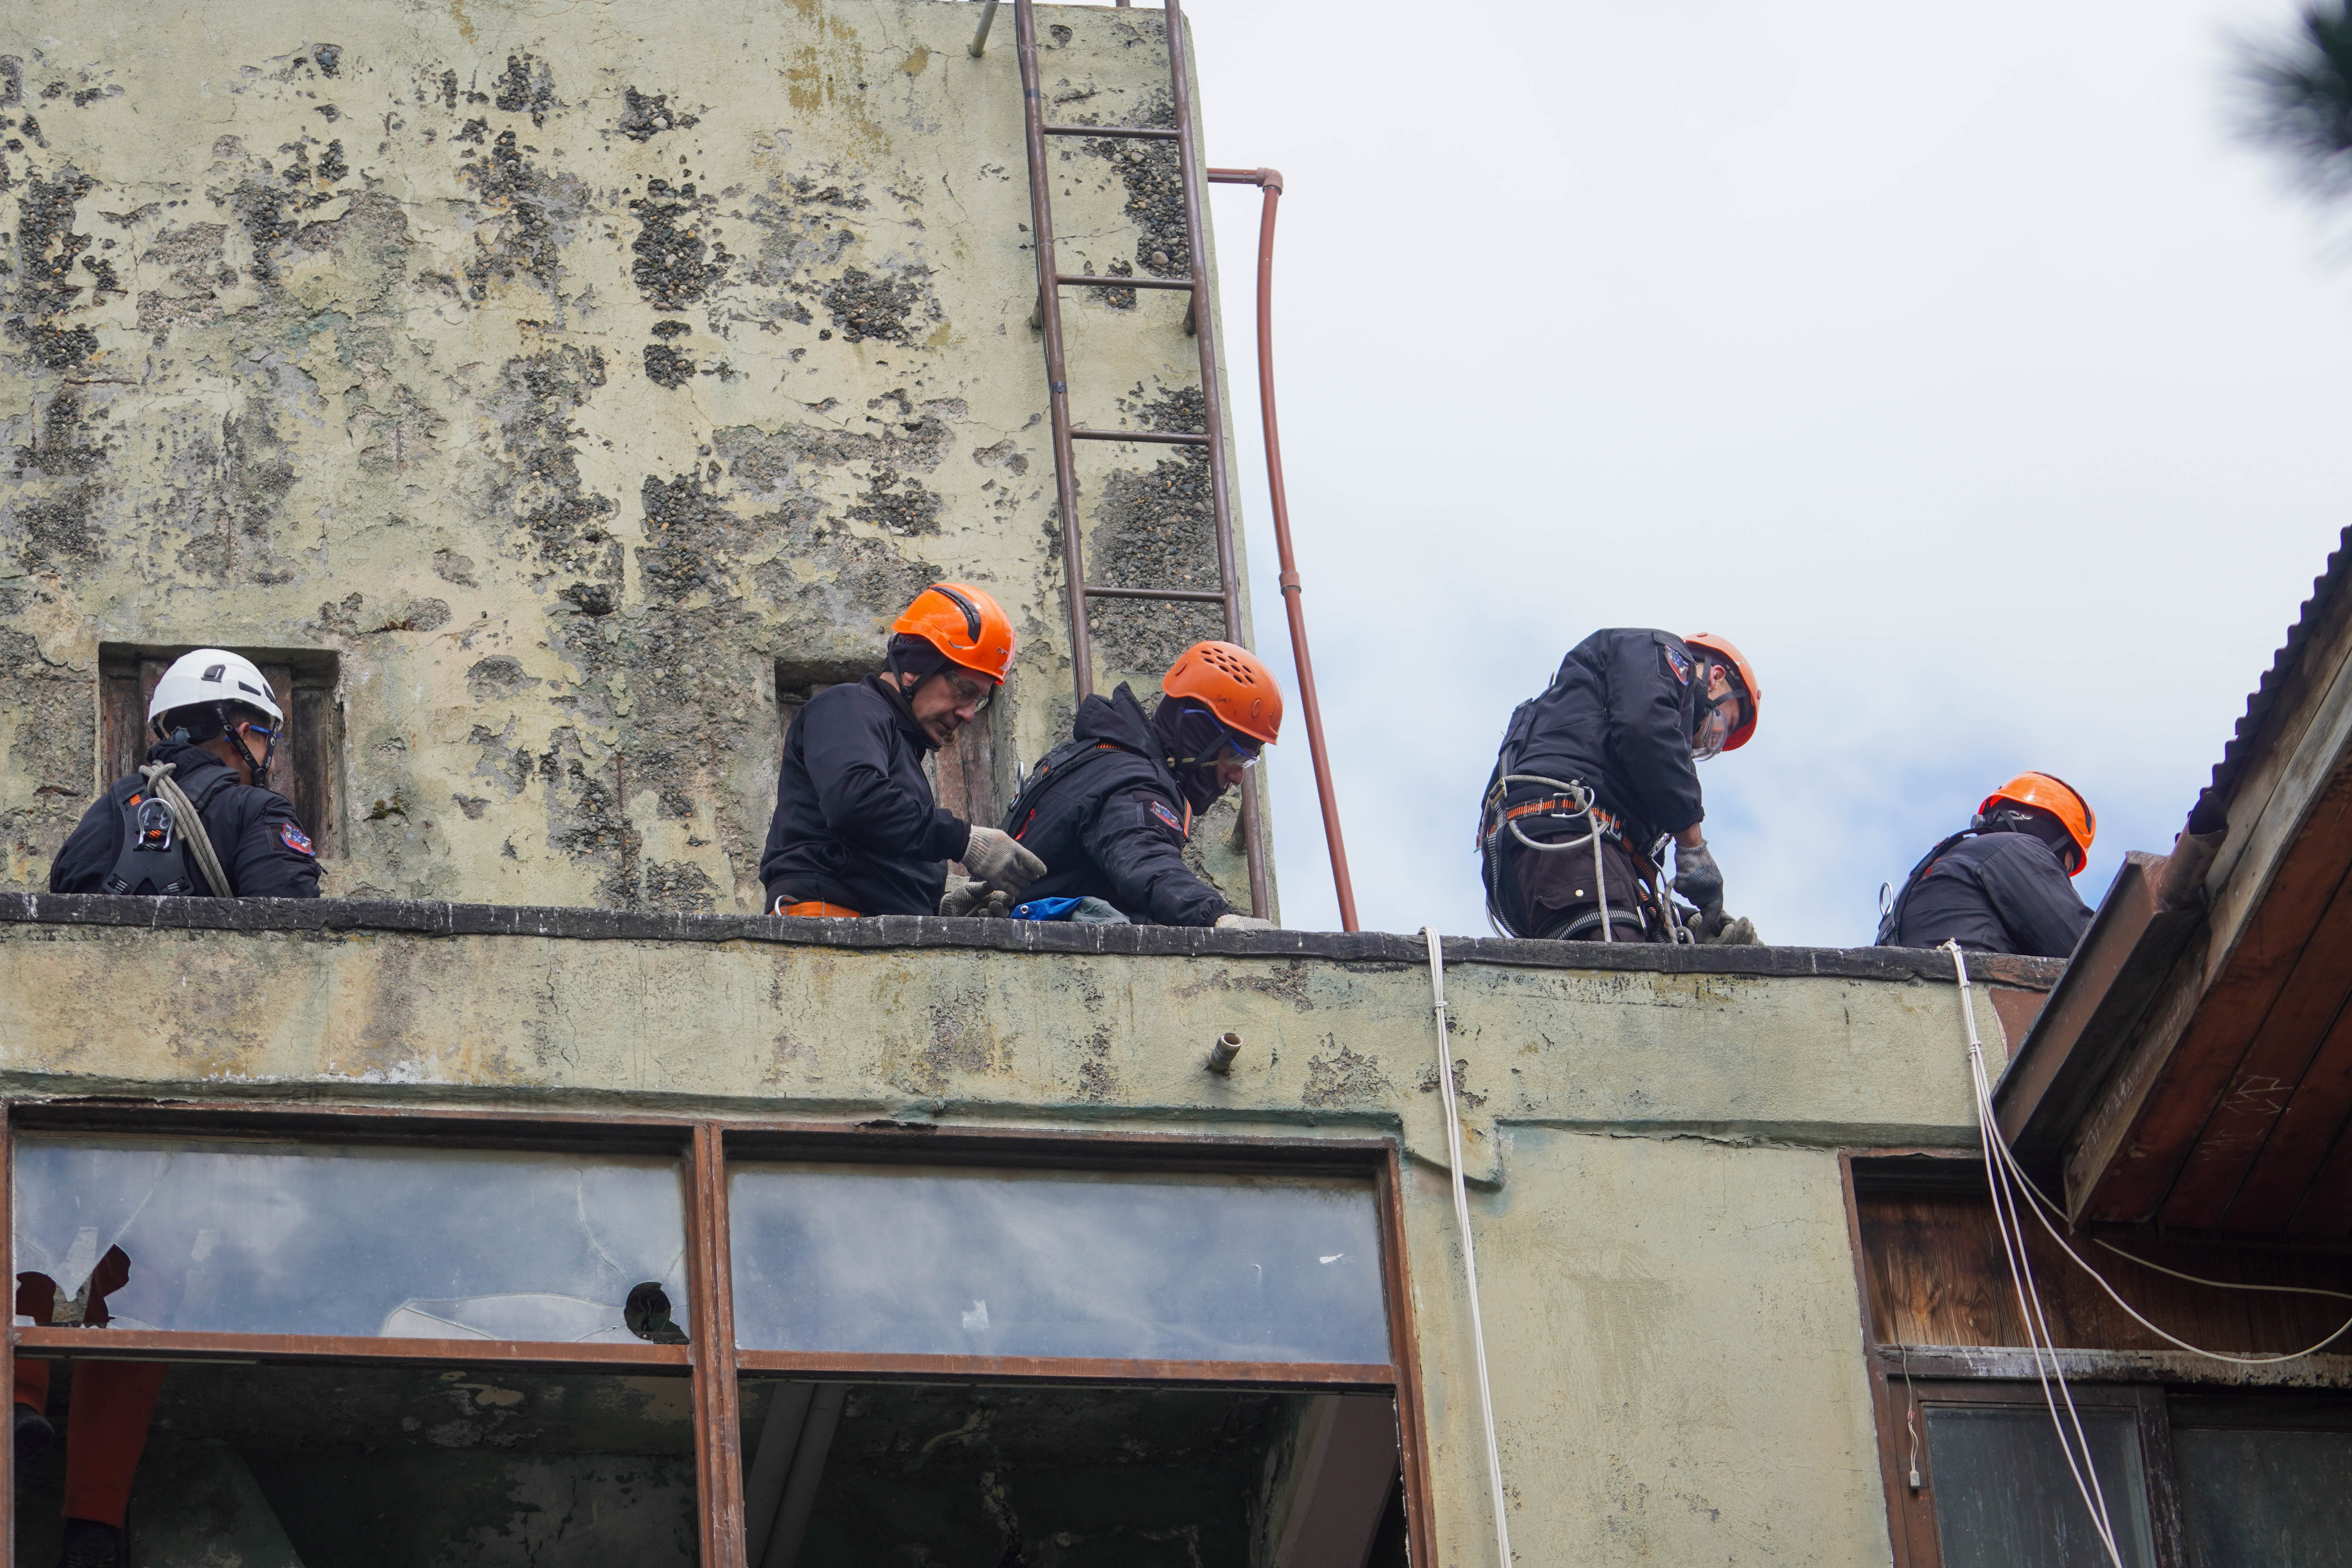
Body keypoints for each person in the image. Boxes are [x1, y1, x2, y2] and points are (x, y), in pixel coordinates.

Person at [35, 648, 321, 1566]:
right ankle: (94, 1520)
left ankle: (20, 1403)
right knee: (147, 1293)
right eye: (263, 726)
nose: (267, 745)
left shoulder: (109, 811)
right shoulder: (253, 809)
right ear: (232, 727)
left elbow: (58, 924)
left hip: (83, 1083)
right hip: (190, 1091)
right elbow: (294, 942)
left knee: (36, 1253)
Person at [759, 583, 1045, 918]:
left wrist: (938, 909)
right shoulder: (849, 706)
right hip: (828, 926)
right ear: (914, 668)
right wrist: (966, 840)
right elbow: (856, 801)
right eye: (965, 691)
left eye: (978, 700)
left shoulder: (895, 744)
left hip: (859, 931)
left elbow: (872, 855)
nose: (969, 714)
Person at [1478, 630, 1760, 943]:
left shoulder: (1610, 763)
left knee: (1630, 972)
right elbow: (1647, 731)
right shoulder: (1665, 655)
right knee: (1627, 982)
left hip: (1537, 858)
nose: (1710, 740)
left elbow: (1619, 873)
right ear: (1715, 678)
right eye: (1724, 725)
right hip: (1566, 838)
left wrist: (1686, 920)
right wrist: (1693, 847)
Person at [980, 641, 1280, 930]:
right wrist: (1215, 916)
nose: (1238, 777)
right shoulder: (1135, 784)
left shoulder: (1094, 760)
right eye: (1237, 758)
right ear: (1200, 738)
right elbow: (1142, 858)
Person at [49, 648, 323, 901]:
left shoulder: (105, 811)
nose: (272, 766)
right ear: (243, 734)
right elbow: (292, 927)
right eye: (267, 741)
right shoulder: (259, 811)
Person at [1876, 772, 2096, 958]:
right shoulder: (2016, 848)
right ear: (2053, 830)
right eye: (2063, 867)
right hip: (1964, 996)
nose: (2061, 878)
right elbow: (2083, 947)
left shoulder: (1950, 863)